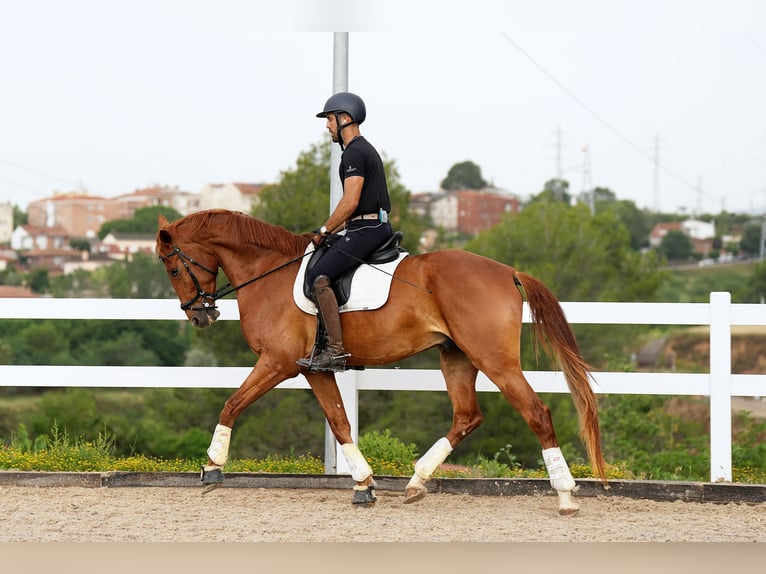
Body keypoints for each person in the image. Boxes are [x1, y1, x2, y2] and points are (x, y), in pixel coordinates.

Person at [296, 92, 393, 373]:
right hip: (368, 224)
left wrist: (326, 228)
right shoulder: (364, 149)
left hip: (368, 228)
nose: (327, 126)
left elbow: (350, 202)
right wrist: (324, 234)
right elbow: (353, 209)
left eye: (329, 119)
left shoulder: (353, 153)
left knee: (318, 277)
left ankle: (336, 352)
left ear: (345, 119)